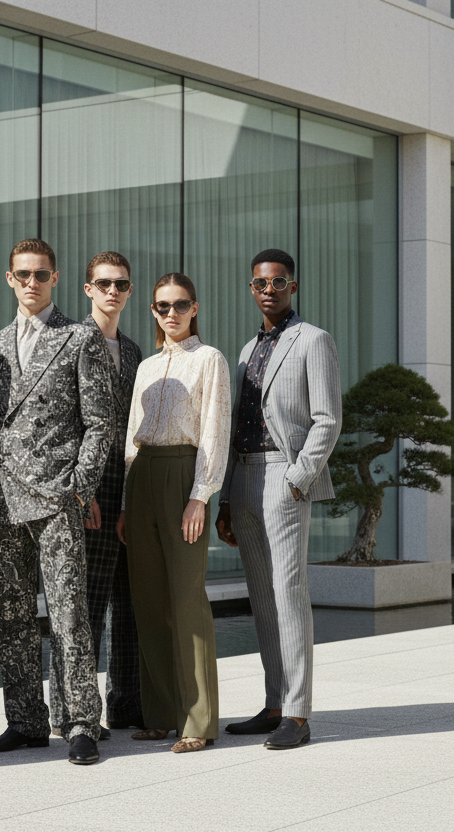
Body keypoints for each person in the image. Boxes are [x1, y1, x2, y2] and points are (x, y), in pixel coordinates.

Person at [0, 238, 113, 766]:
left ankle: (80, 722)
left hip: (56, 498)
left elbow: (100, 422)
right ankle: (25, 722)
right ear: (9, 279)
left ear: (55, 278)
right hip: (1, 499)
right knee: (12, 615)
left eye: (41, 275)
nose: (32, 283)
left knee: (69, 613)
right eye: (23, 274)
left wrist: (80, 488)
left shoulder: (80, 336)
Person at [216, 248, 342, 751]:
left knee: (288, 593)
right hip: (243, 478)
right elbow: (234, 426)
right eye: (259, 283)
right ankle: (273, 704)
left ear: (293, 285)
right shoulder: (247, 350)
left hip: (282, 477)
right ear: (252, 288)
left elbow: (328, 419)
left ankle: (298, 712)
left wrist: (297, 478)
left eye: (278, 281)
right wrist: (225, 499)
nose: (268, 289)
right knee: (263, 598)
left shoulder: (314, 341)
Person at [117, 272, 231, 753]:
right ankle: (161, 713)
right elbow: (131, 435)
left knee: (187, 600)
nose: (171, 313)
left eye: (180, 304)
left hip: (184, 475)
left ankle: (199, 721)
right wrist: (126, 500)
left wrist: (200, 495)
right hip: (142, 477)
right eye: (162, 306)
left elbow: (214, 430)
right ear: (154, 312)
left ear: (195, 307)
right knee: (149, 601)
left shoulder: (210, 361)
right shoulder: (145, 366)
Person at [49, 251, 145, 738]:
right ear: (87, 289)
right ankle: (70, 712)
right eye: (104, 283)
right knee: (80, 607)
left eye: (121, 285)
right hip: (84, 491)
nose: (113, 291)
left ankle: (126, 703)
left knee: (128, 602)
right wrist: (79, 489)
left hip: (127, 487)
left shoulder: (133, 352)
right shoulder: (67, 341)